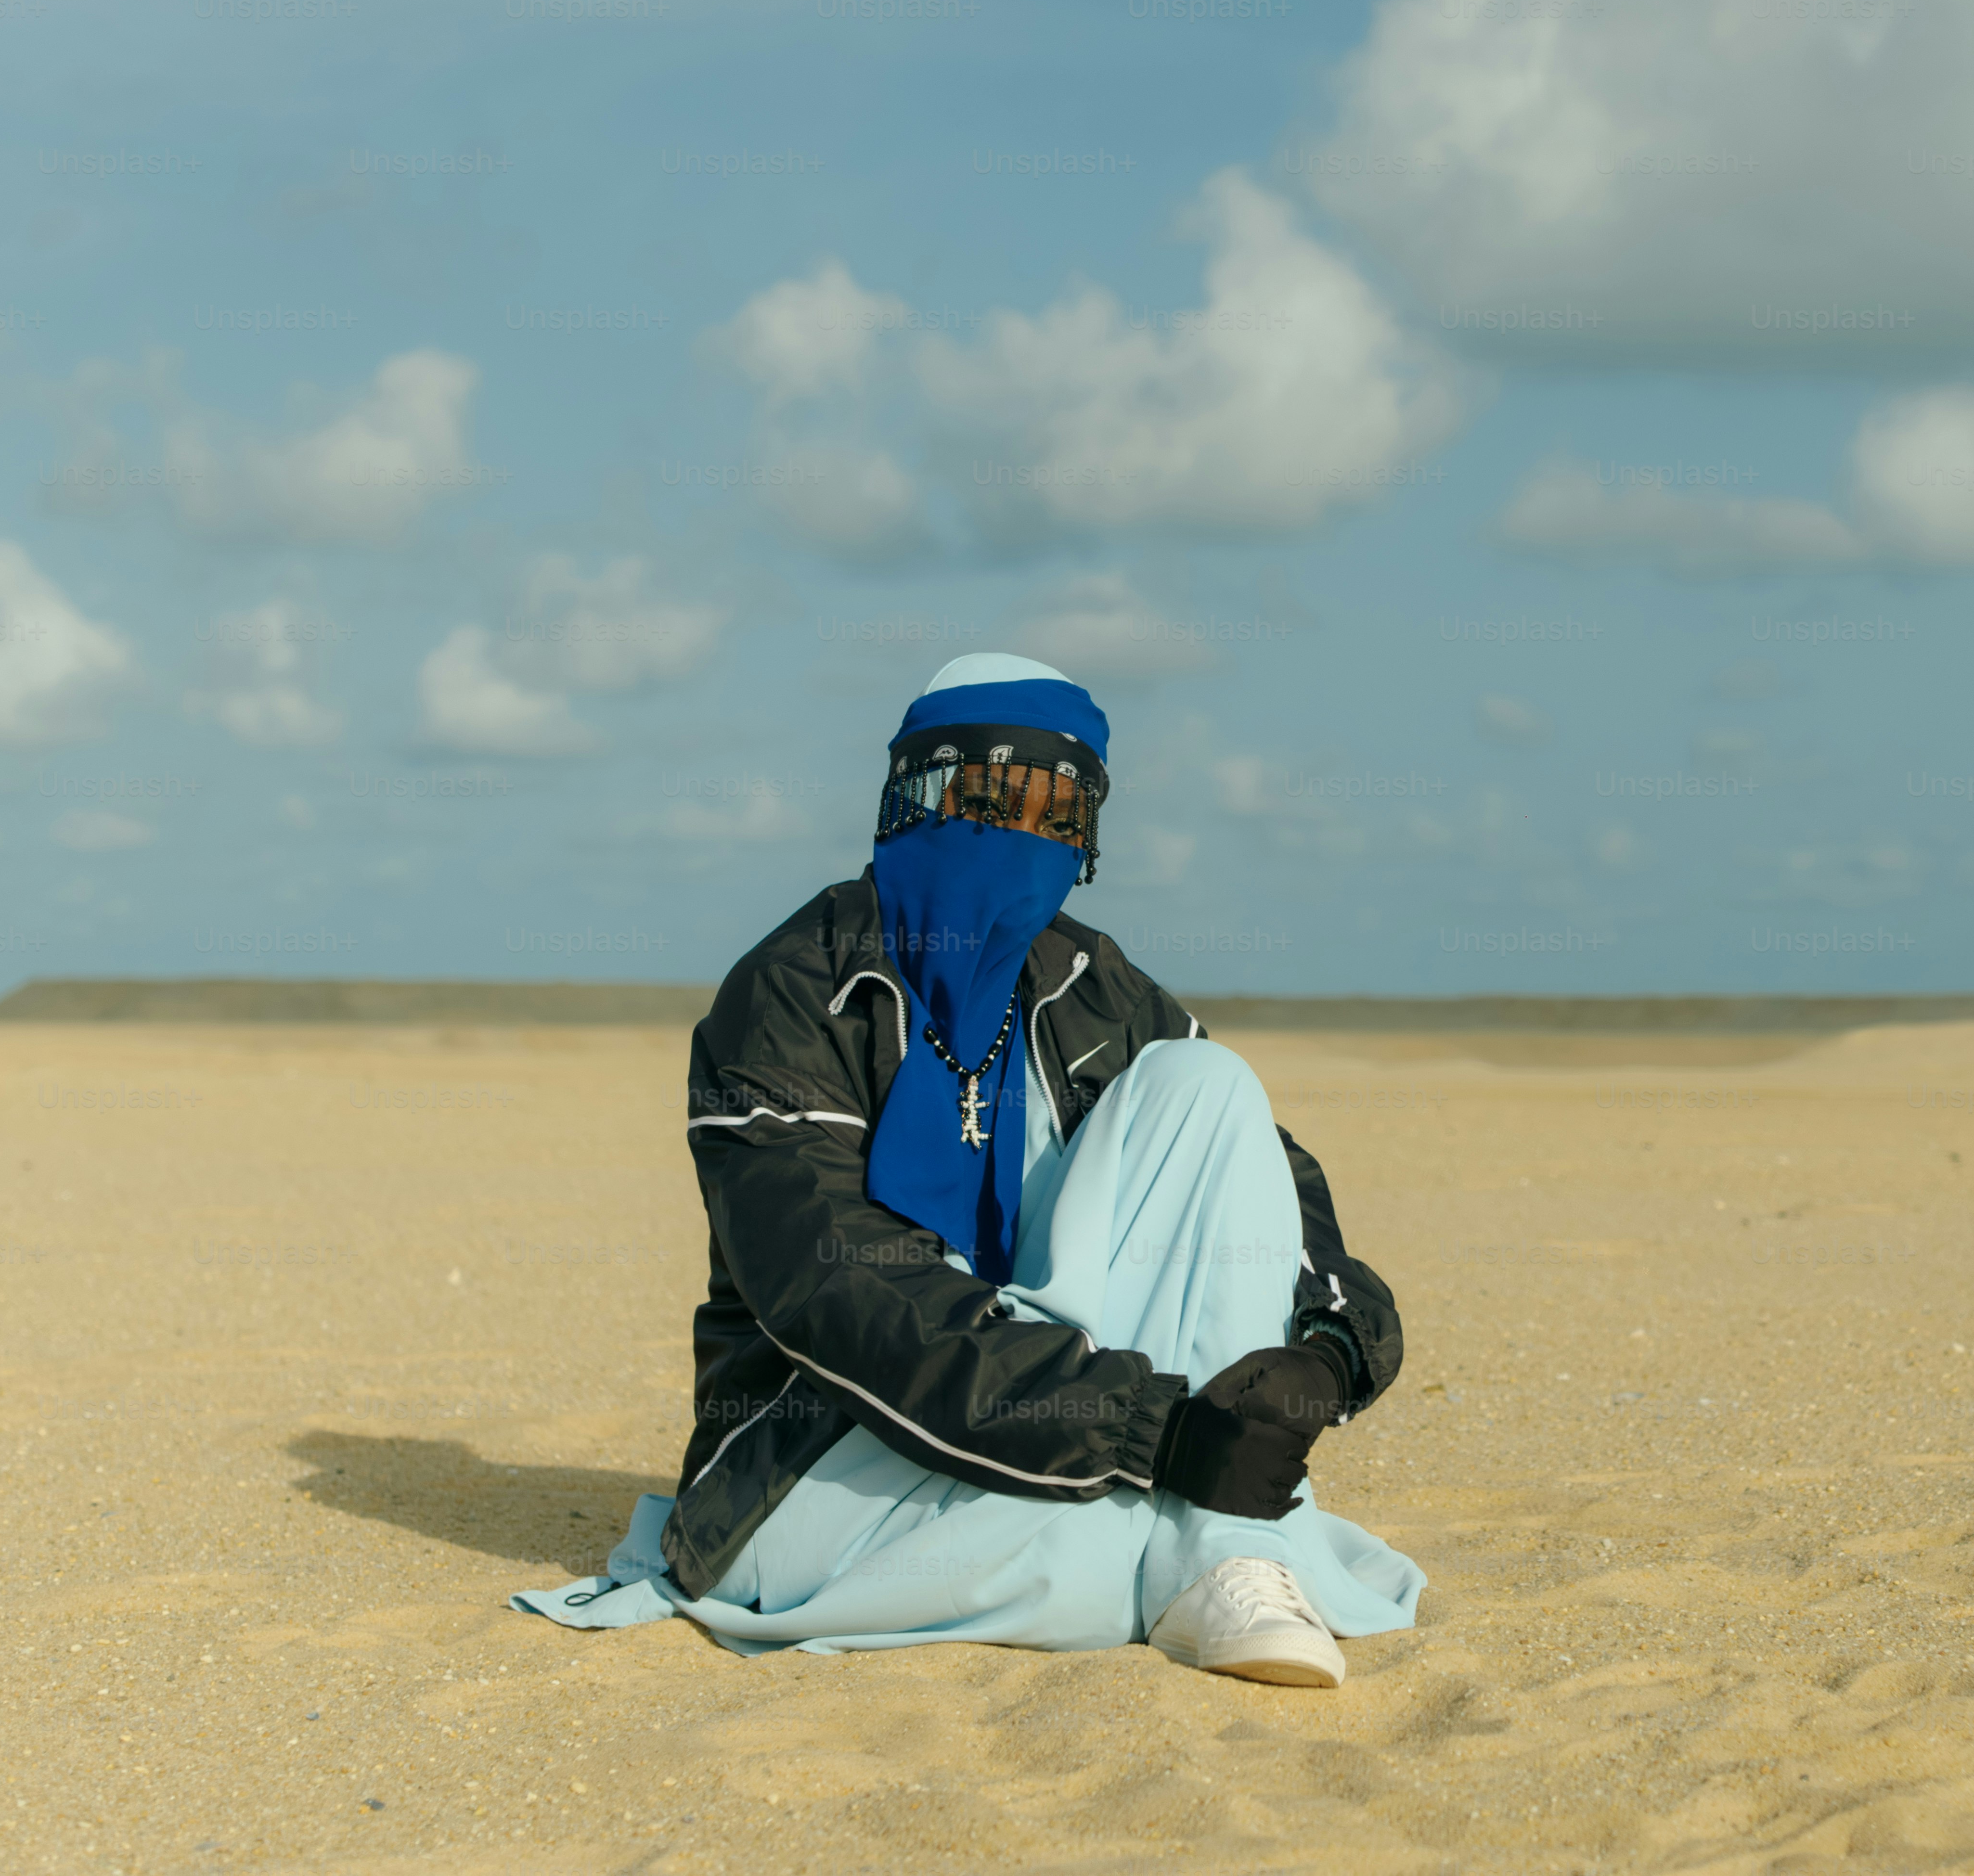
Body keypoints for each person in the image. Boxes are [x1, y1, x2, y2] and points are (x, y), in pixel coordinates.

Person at [515, 653, 1421, 1684]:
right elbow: (840, 1291)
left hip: (1067, 1401)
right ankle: (1218, 1540)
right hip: (830, 1447)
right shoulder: (790, 991)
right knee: (1109, 1550)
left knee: (1207, 1083)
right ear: (921, 797)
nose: (1022, 840)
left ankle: (1209, 1541)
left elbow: (1268, 1170)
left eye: (1057, 817)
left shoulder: (1091, 983)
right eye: (994, 801)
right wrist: (1153, 1431)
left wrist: (1335, 1350)